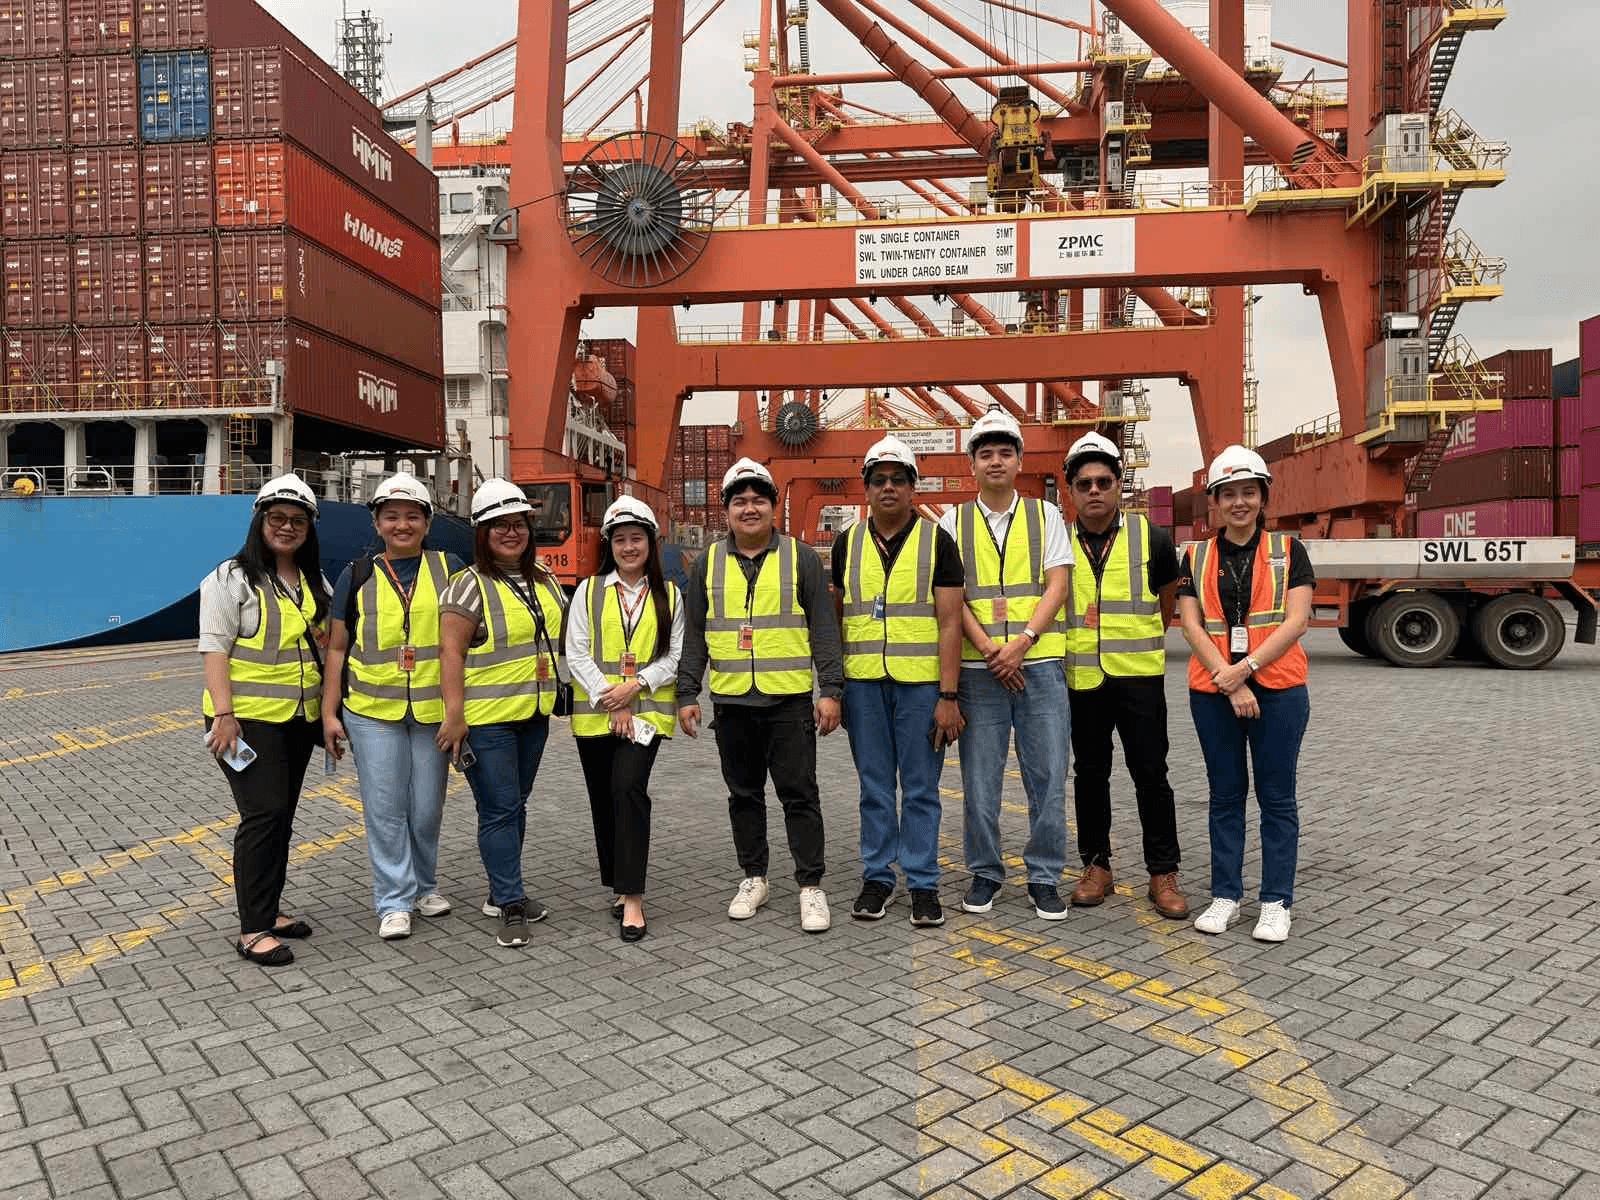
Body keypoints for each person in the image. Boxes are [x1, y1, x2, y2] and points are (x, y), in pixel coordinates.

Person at [677, 457, 844, 933]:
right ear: (726, 511)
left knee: (800, 795)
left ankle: (811, 885)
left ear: (773, 507)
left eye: (758, 500)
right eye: (739, 501)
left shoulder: (802, 558)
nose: (749, 509)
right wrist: (688, 692)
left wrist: (830, 690)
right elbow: (695, 634)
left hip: (788, 702)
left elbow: (823, 630)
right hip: (731, 703)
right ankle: (755, 877)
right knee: (743, 796)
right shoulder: (705, 563)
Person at [938, 410, 1073, 920]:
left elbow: (1057, 584)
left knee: (1047, 776)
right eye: (985, 453)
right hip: (980, 671)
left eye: (1005, 452)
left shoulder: (1046, 516)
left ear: (1019, 460)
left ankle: (1043, 876)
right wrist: (994, 652)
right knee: (979, 779)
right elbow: (953, 598)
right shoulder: (953, 522)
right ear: (971, 464)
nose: (995, 461)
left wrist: (1021, 642)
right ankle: (985, 872)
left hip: (1038, 664)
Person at [1177, 445, 1314, 943]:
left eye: (1248, 493)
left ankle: (1276, 902)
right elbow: (1190, 625)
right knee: (1225, 796)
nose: (1239, 503)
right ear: (1214, 502)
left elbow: (1296, 621)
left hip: (1278, 690)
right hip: (1214, 691)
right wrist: (1228, 678)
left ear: (1262, 498)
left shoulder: (1289, 551)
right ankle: (1225, 896)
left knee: (1277, 798)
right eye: (1228, 494)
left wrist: (1247, 670)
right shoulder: (1195, 554)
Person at [321, 472, 465, 942]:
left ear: (426, 523)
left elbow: (465, 644)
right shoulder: (355, 575)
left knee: (426, 808)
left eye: (411, 516)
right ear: (377, 523)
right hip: (370, 711)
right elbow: (337, 650)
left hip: (431, 711)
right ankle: (393, 899)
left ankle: (424, 885)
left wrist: (457, 710)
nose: (402, 525)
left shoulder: (451, 569)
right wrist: (329, 714)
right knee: (385, 809)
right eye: (391, 517)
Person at [831, 436, 964, 928]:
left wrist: (948, 696)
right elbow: (838, 616)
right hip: (864, 685)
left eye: (898, 480)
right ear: (865, 489)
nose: (888, 487)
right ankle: (877, 876)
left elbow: (950, 623)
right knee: (874, 787)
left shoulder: (937, 542)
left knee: (922, 787)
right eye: (879, 480)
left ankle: (924, 883)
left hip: (921, 686)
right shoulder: (847, 542)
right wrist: (835, 687)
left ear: (913, 488)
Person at [199, 474, 328, 966]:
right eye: (277, 518)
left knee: (282, 819)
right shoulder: (230, 578)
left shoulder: (315, 580)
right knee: (263, 816)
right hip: (245, 722)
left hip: (296, 719)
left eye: (297, 521)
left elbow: (320, 646)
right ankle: (252, 929)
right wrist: (224, 716)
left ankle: (268, 910)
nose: (287, 527)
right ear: (259, 521)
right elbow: (214, 648)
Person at [1060, 432, 1188, 920]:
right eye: (1085, 483)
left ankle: (1163, 871)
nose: (1095, 490)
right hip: (1082, 678)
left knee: (1151, 775)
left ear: (1119, 486)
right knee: (1090, 775)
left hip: (1138, 678)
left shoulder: (1151, 537)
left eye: (1104, 482)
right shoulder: (1058, 542)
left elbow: (1166, 603)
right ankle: (1096, 866)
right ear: (1070, 491)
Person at [436, 479, 568, 948]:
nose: (511, 533)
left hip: (533, 714)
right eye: (500, 526)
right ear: (482, 532)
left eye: (519, 524)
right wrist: (454, 717)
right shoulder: (467, 585)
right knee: (499, 809)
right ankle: (510, 903)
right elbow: (449, 654)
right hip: (487, 718)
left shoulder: (545, 579)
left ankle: (501, 889)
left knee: (516, 804)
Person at [565, 496, 684, 943]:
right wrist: (611, 698)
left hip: (645, 714)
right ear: (609, 545)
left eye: (637, 538)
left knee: (628, 788)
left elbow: (675, 655)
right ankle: (617, 884)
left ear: (650, 544)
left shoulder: (669, 595)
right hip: (596, 716)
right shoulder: (588, 591)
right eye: (621, 539)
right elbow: (576, 651)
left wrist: (634, 688)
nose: (629, 547)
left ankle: (633, 896)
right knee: (603, 799)